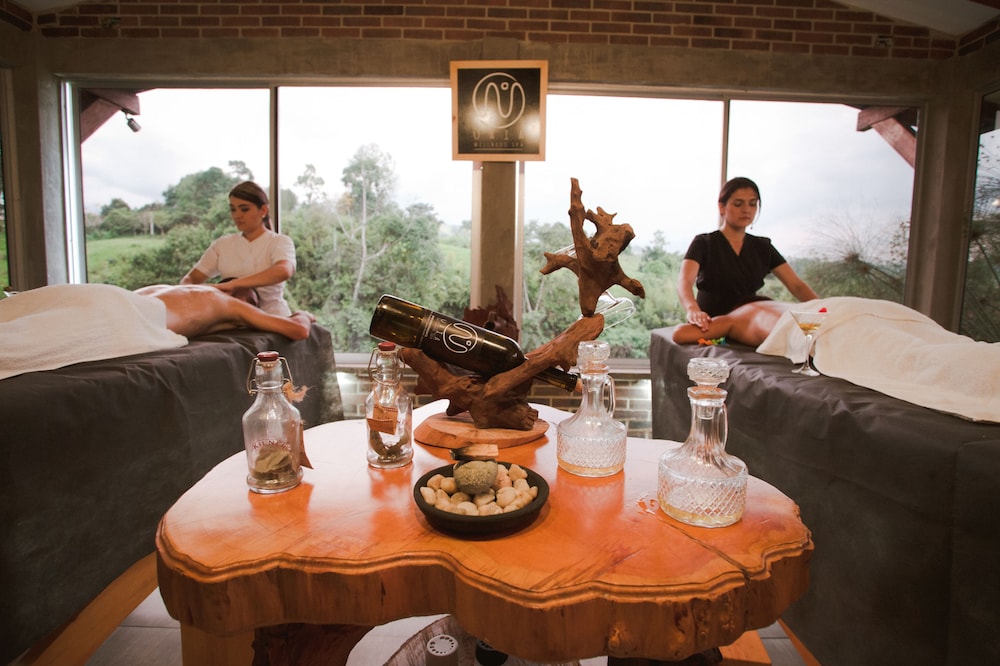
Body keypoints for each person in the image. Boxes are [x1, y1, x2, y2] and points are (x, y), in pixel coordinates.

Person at [677, 176, 818, 337]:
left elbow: (797, 286)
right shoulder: (704, 243)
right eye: (738, 204)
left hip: (748, 321)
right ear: (722, 207)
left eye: (752, 204)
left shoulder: (763, 247)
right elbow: (684, 281)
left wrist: (824, 309)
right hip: (710, 323)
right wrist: (693, 309)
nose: (746, 210)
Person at [181, 181, 297, 316]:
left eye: (244, 209)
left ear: (263, 210)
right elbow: (190, 279)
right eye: (233, 209)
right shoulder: (223, 244)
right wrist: (190, 293)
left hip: (274, 317)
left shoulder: (279, 242)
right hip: (234, 320)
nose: (237, 215)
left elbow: (283, 271)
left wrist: (233, 284)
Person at [135, 284, 315, 340]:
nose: (251, 309)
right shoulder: (225, 301)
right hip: (137, 320)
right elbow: (298, 330)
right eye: (251, 302)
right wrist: (304, 314)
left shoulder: (170, 288)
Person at [671, 299, 793, 346]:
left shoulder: (738, 315)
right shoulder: (780, 304)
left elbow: (680, 334)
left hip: (795, 330)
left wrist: (698, 319)